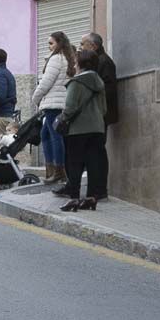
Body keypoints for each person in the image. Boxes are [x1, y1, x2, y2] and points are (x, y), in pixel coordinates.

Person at [57, 50, 107, 211]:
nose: (73, 64)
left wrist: (62, 118)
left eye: (75, 61)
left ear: (80, 64)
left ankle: (74, 198)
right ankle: (92, 197)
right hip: (97, 128)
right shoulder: (99, 82)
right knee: (94, 163)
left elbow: (70, 108)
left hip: (78, 129)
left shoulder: (76, 82)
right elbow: (104, 109)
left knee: (75, 163)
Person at [32, 32, 75, 185]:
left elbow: (45, 83)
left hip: (53, 104)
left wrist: (35, 99)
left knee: (54, 136)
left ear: (59, 43)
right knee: (46, 135)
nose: (48, 47)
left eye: (51, 43)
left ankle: (58, 171)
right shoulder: (68, 58)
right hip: (60, 102)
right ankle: (52, 170)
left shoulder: (56, 59)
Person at [81, 32, 116, 200]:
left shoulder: (104, 62)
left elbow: (106, 90)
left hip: (100, 115)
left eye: (83, 44)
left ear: (93, 46)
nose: (81, 48)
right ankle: (95, 189)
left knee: (97, 153)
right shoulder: (97, 61)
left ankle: (99, 190)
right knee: (93, 153)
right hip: (95, 115)